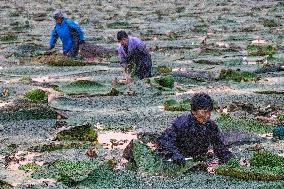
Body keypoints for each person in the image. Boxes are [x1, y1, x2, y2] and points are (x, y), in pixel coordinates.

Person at [157, 93, 233, 165]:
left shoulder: (211, 126)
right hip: (178, 159)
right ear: (193, 111)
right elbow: (164, 140)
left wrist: (228, 158)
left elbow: (219, 146)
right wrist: (174, 153)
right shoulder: (182, 123)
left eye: (209, 112)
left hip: (197, 160)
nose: (208, 116)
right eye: (204, 112)